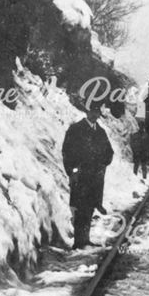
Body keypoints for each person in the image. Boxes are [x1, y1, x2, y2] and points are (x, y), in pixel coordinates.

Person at [61, 102, 113, 249]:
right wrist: (72, 171)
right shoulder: (75, 129)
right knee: (79, 208)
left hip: (95, 178)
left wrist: (103, 163)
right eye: (92, 111)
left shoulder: (101, 132)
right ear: (87, 112)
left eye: (97, 112)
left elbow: (109, 152)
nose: (95, 114)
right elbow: (67, 151)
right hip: (81, 176)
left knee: (90, 207)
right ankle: (79, 242)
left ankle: (86, 239)